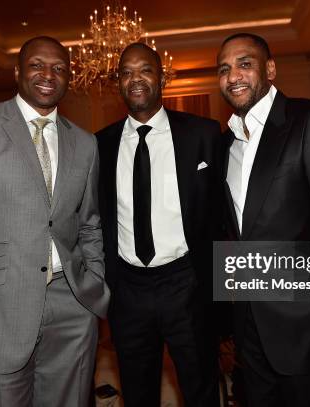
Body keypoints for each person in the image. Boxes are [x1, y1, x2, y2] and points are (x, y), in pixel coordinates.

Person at [0, 36, 109, 406]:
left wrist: (93, 284)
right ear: (17, 72)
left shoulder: (85, 143)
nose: (49, 74)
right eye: (37, 65)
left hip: (72, 305)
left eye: (60, 68)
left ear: (70, 77)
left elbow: (89, 222)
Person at [217, 33, 310, 406]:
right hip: (250, 333)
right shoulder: (227, 143)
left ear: (270, 69)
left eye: (244, 64)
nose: (233, 75)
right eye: (224, 69)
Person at [95, 43, 222, 407]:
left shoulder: (203, 134)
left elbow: (221, 215)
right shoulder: (100, 144)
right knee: (136, 392)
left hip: (187, 284)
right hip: (128, 290)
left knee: (200, 389)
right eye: (126, 72)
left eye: (145, 69)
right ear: (118, 82)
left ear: (161, 76)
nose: (135, 79)